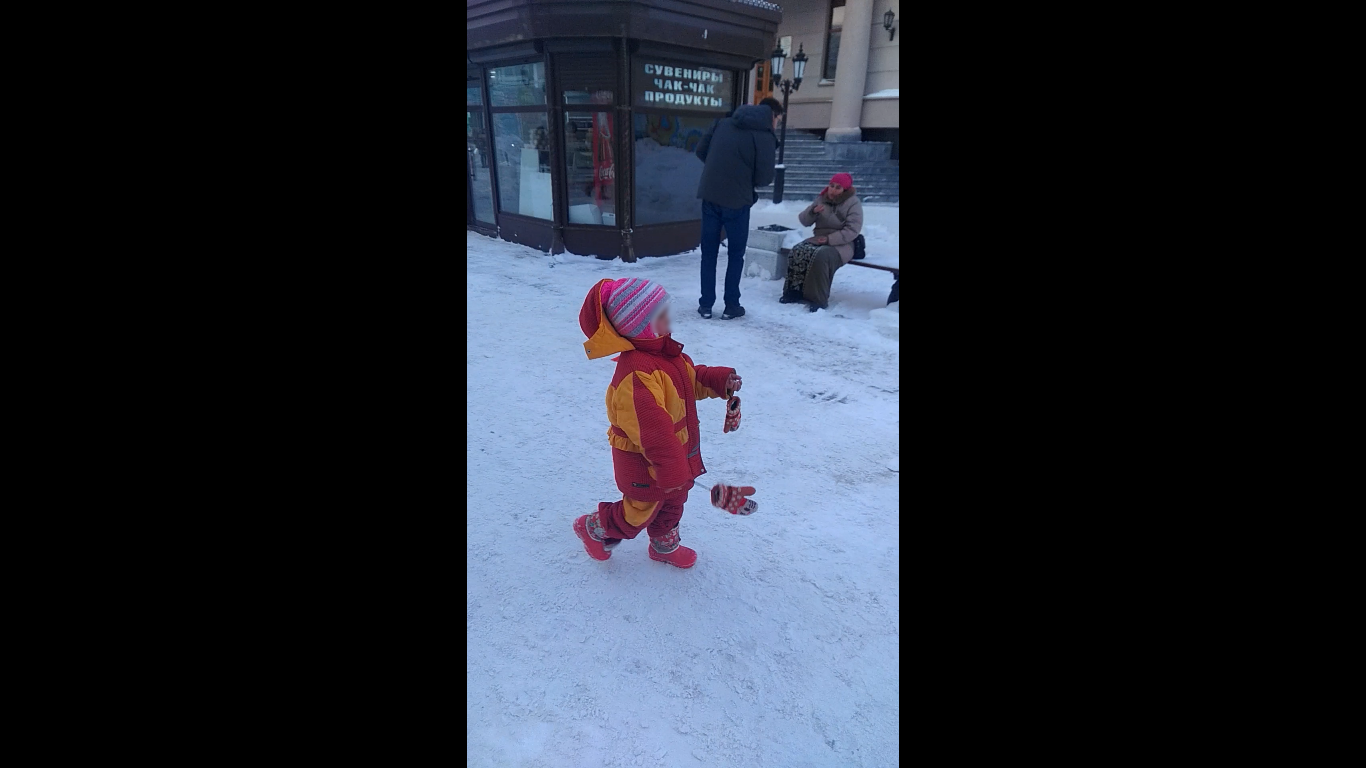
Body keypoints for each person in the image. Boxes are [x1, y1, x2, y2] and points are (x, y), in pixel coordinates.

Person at [574, 277, 742, 569]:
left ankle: (664, 547)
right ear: (641, 327)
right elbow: (653, 433)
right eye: (662, 315)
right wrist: (673, 469)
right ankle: (594, 527)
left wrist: (719, 380)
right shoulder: (637, 375)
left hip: (673, 459)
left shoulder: (668, 356)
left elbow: (691, 381)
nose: (670, 318)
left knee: (674, 503)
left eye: (667, 310)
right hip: (644, 462)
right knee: (639, 510)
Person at [693, 97, 784, 320]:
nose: (777, 125)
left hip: (711, 195)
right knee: (735, 254)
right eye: (778, 121)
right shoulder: (764, 135)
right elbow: (764, 178)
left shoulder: (723, 123)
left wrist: (721, 168)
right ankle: (731, 305)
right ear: (772, 115)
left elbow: (701, 151)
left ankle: (706, 305)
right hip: (737, 201)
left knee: (709, 253)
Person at [782, 173, 864, 312]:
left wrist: (829, 239)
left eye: (838, 187)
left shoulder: (853, 203)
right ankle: (794, 292)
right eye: (831, 186)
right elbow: (804, 221)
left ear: (845, 189)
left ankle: (818, 299)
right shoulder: (822, 198)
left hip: (842, 243)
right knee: (798, 250)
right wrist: (813, 211)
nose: (833, 190)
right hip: (819, 238)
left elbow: (852, 230)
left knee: (821, 256)